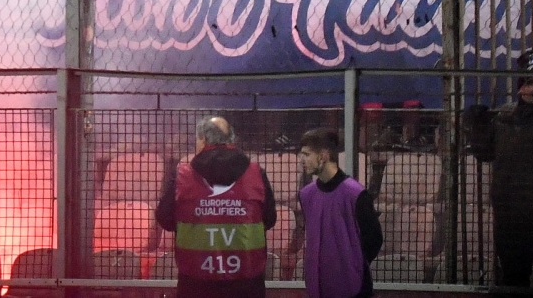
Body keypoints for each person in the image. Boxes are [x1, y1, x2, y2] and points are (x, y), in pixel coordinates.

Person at [465, 52, 533, 288]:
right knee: (514, 281)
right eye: (532, 82)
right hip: (512, 219)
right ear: (520, 88)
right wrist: (478, 127)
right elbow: (484, 153)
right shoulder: (505, 117)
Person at [153, 114, 276, 297]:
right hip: (247, 283)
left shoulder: (182, 176)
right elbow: (270, 219)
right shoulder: (256, 173)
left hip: (195, 283)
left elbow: (164, 218)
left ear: (202, 139)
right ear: (231, 139)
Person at [290, 127, 381, 298]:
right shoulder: (306, 195)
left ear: (323, 156)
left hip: (353, 289)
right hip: (318, 288)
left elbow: (374, 239)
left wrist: (351, 265)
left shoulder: (355, 194)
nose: (301, 160)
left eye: (307, 154)